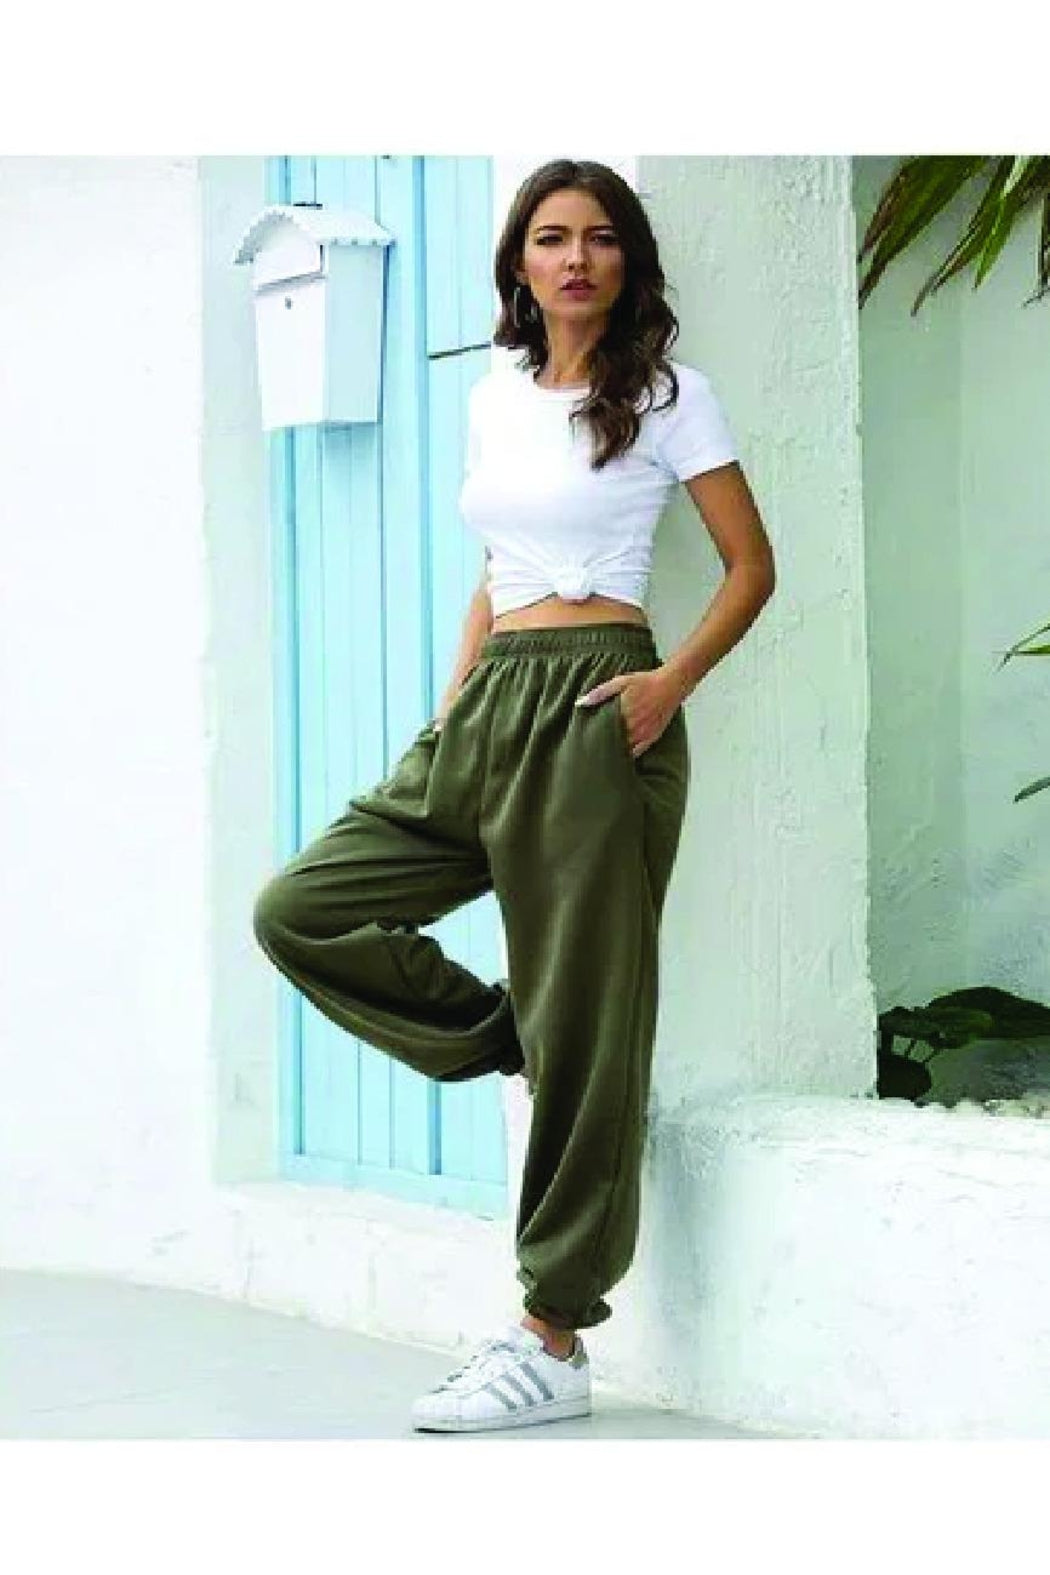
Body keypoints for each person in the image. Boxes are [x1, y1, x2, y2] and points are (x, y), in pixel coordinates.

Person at [252, 157, 775, 1433]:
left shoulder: (668, 395)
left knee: (590, 1021)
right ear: (520, 264)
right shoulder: (495, 397)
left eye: (599, 237)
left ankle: (552, 1335)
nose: (575, 258)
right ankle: (509, 1036)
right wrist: (453, 709)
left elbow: (751, 566)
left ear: (627, 260)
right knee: (300, 910)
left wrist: (667, 688)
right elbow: (497, 570)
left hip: (602, 700)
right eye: (551, 237)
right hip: (491, 708)